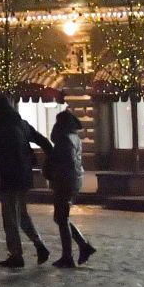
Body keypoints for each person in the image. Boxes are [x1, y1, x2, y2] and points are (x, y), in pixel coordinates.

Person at [0, 94, 50, 268]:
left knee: (10, 217)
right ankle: (39, 245)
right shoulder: (22, 124)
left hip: (9, 176)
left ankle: (16, 255)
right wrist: (54, 158)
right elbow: (43, 141)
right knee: (22, 214)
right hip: (24, 176)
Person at [43, 109, 95, 268]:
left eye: (57, 122)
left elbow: (63, 162)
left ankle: (69, 255)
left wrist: (51, 171)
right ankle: (82, 247)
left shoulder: (64, 139)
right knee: (60, 217)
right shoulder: (74, 137)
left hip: (65, 182)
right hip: (72, 181)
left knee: (61, 218)